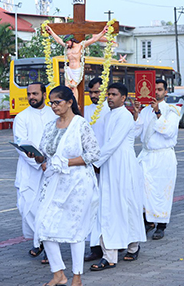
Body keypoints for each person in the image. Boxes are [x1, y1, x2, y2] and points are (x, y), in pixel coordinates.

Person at [30, 86, 99, 286]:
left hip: (77, 183)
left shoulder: (80, 124)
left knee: (75, 229)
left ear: (70, 102)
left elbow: (94, 154)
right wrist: (36, 157)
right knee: (44, 225)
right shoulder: (51, 126)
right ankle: (58, 273)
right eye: (51, 102)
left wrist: (67, 162)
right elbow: (44, 153)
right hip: (54, 181)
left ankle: (77, 276)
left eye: (57, 102)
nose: (53, 106)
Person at [91, 83, 146, 271]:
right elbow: (103, 142)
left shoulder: (124, 116)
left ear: (123, 98)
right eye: (108, 94)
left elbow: (113, 143)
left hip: (123, 166)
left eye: (114, 94)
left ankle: (132, 246)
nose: (109, 97)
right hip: (109, 165)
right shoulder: (108, 115)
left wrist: (94, 162)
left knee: (127, 206)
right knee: (110, 207)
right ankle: (111, 253)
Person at [12, 82, 57, 262]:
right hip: (29, 170)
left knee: (48, 209)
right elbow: (21, 144)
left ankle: (47, 247)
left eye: (35, 94)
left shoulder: (54, 114)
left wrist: (48, 162)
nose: (32, 97)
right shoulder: (21, 117)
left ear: (44, 95)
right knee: (27, 208)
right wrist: (38, 162)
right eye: (29, 94)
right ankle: (40, 242)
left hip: (52, 169)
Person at [133, 79, 180, 240]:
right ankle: (148, 220)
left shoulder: (171, 110)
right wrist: (136, 114)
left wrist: (158, 112)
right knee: (144, 189)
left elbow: (168, 132)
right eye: (155, 89)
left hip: (163, 157)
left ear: (166, 92)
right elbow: (135, 132)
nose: (157, 92)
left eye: (160, 90)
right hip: (147, 155)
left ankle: (161, 225)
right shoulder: (146, 111)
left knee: (162, 192)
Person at [84, 77, 110, 262]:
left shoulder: (113, 111)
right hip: (89, 167)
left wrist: (99, 163)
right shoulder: (85, 111)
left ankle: (113, 244)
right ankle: (94, 247)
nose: (93, 96)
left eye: (97, 92)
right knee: (91, 207)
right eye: (91, 92)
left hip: (109, 167)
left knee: (109, 207)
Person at [46, 24, 108, 95]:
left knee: (73, 87)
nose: (67, 44)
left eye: (68, 42)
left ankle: (75, 104)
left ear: (72, 40)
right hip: (69, 69)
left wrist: (103, 32)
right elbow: (58, 40)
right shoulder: (67, 47)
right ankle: (69, 103)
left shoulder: (80, 46)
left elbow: (93, 39)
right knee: (67, 88)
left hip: (76, 69)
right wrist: (51, 32)